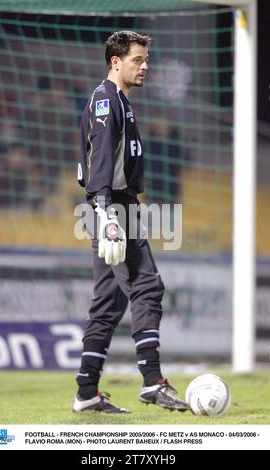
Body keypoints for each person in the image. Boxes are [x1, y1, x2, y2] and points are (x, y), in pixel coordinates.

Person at [74, 31, 190, 414]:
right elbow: (101, 157)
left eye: (146, 59)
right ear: (115, 62)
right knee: (147, 286)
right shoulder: (108, 100)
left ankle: (87, 391)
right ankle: (152, 381)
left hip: (115, 206)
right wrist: (107, 211)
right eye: (138, 59)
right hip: (113, 208)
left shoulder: (119, 101)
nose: (145, 66)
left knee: (108, 302)